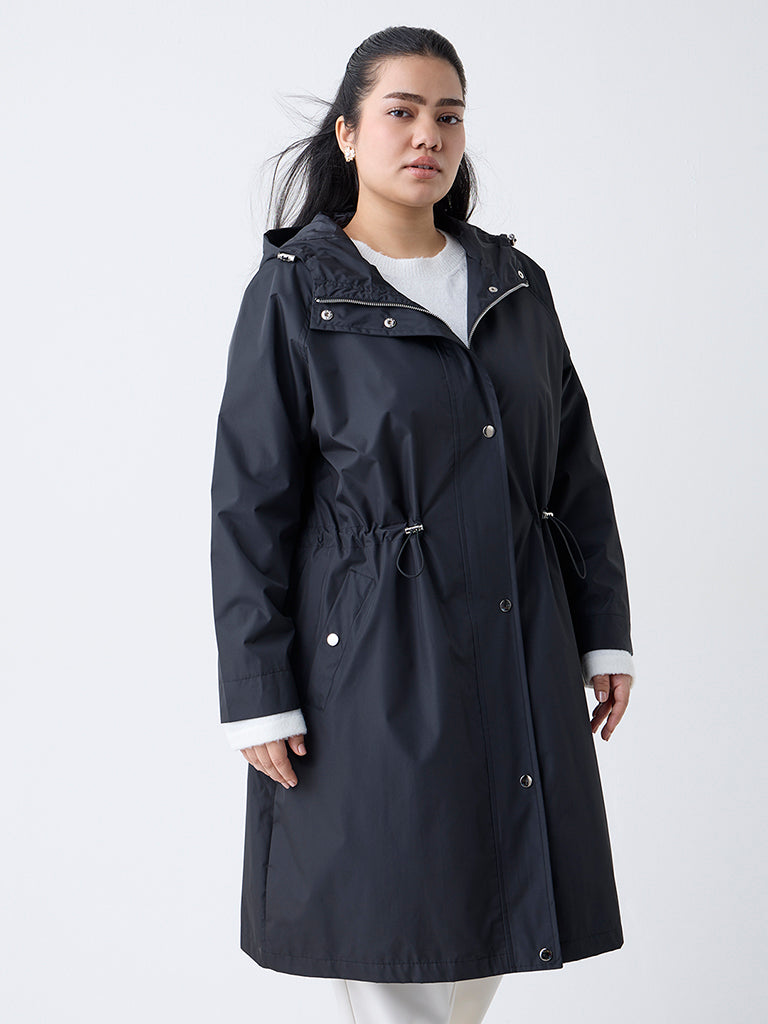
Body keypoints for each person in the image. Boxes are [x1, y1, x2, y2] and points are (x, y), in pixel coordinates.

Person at [209, 25, 636, 1024]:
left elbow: (574, 471)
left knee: (490, 929)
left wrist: (603, 631)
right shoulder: (298, 291)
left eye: (449, 115)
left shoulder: (515, 285)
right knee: (394, 937)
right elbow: (250, 503)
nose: (427, 135)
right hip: (371, 661)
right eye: (401, 111)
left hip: (519, 643)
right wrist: (259, 693)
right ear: (349, 133)